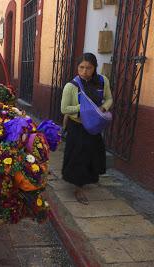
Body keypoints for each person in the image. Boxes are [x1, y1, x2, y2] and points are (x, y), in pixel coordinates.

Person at [60, 53, 113, 205]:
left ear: (94, 68)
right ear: (77, 67)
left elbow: (109, 99)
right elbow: (64, 109)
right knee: (79, 157)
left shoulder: (103, 82)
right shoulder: (71, 86)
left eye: (88, 68)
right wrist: (84, 108)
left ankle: (86, 180)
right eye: (81, 67)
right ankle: (78, 189)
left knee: (92, 155)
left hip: (94, 126)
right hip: (77, 126)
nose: (84, 71)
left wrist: (103, 108)